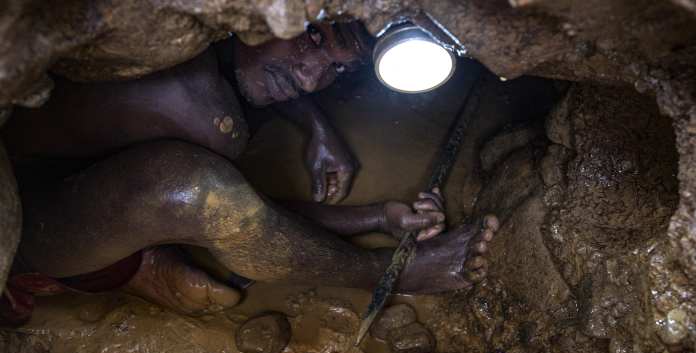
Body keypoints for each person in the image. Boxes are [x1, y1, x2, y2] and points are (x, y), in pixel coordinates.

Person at [0, 20, 498, 322]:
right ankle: (390, 275)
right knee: (194, 191)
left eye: (341, 69)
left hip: (77, 179)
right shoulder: (203, 113)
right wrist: (378, 245)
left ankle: (141, 265)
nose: (312, 79)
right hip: (23, 226)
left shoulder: (211, 52)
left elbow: (255, 67)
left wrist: (369, 205)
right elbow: (237, 219)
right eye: (312, 37)